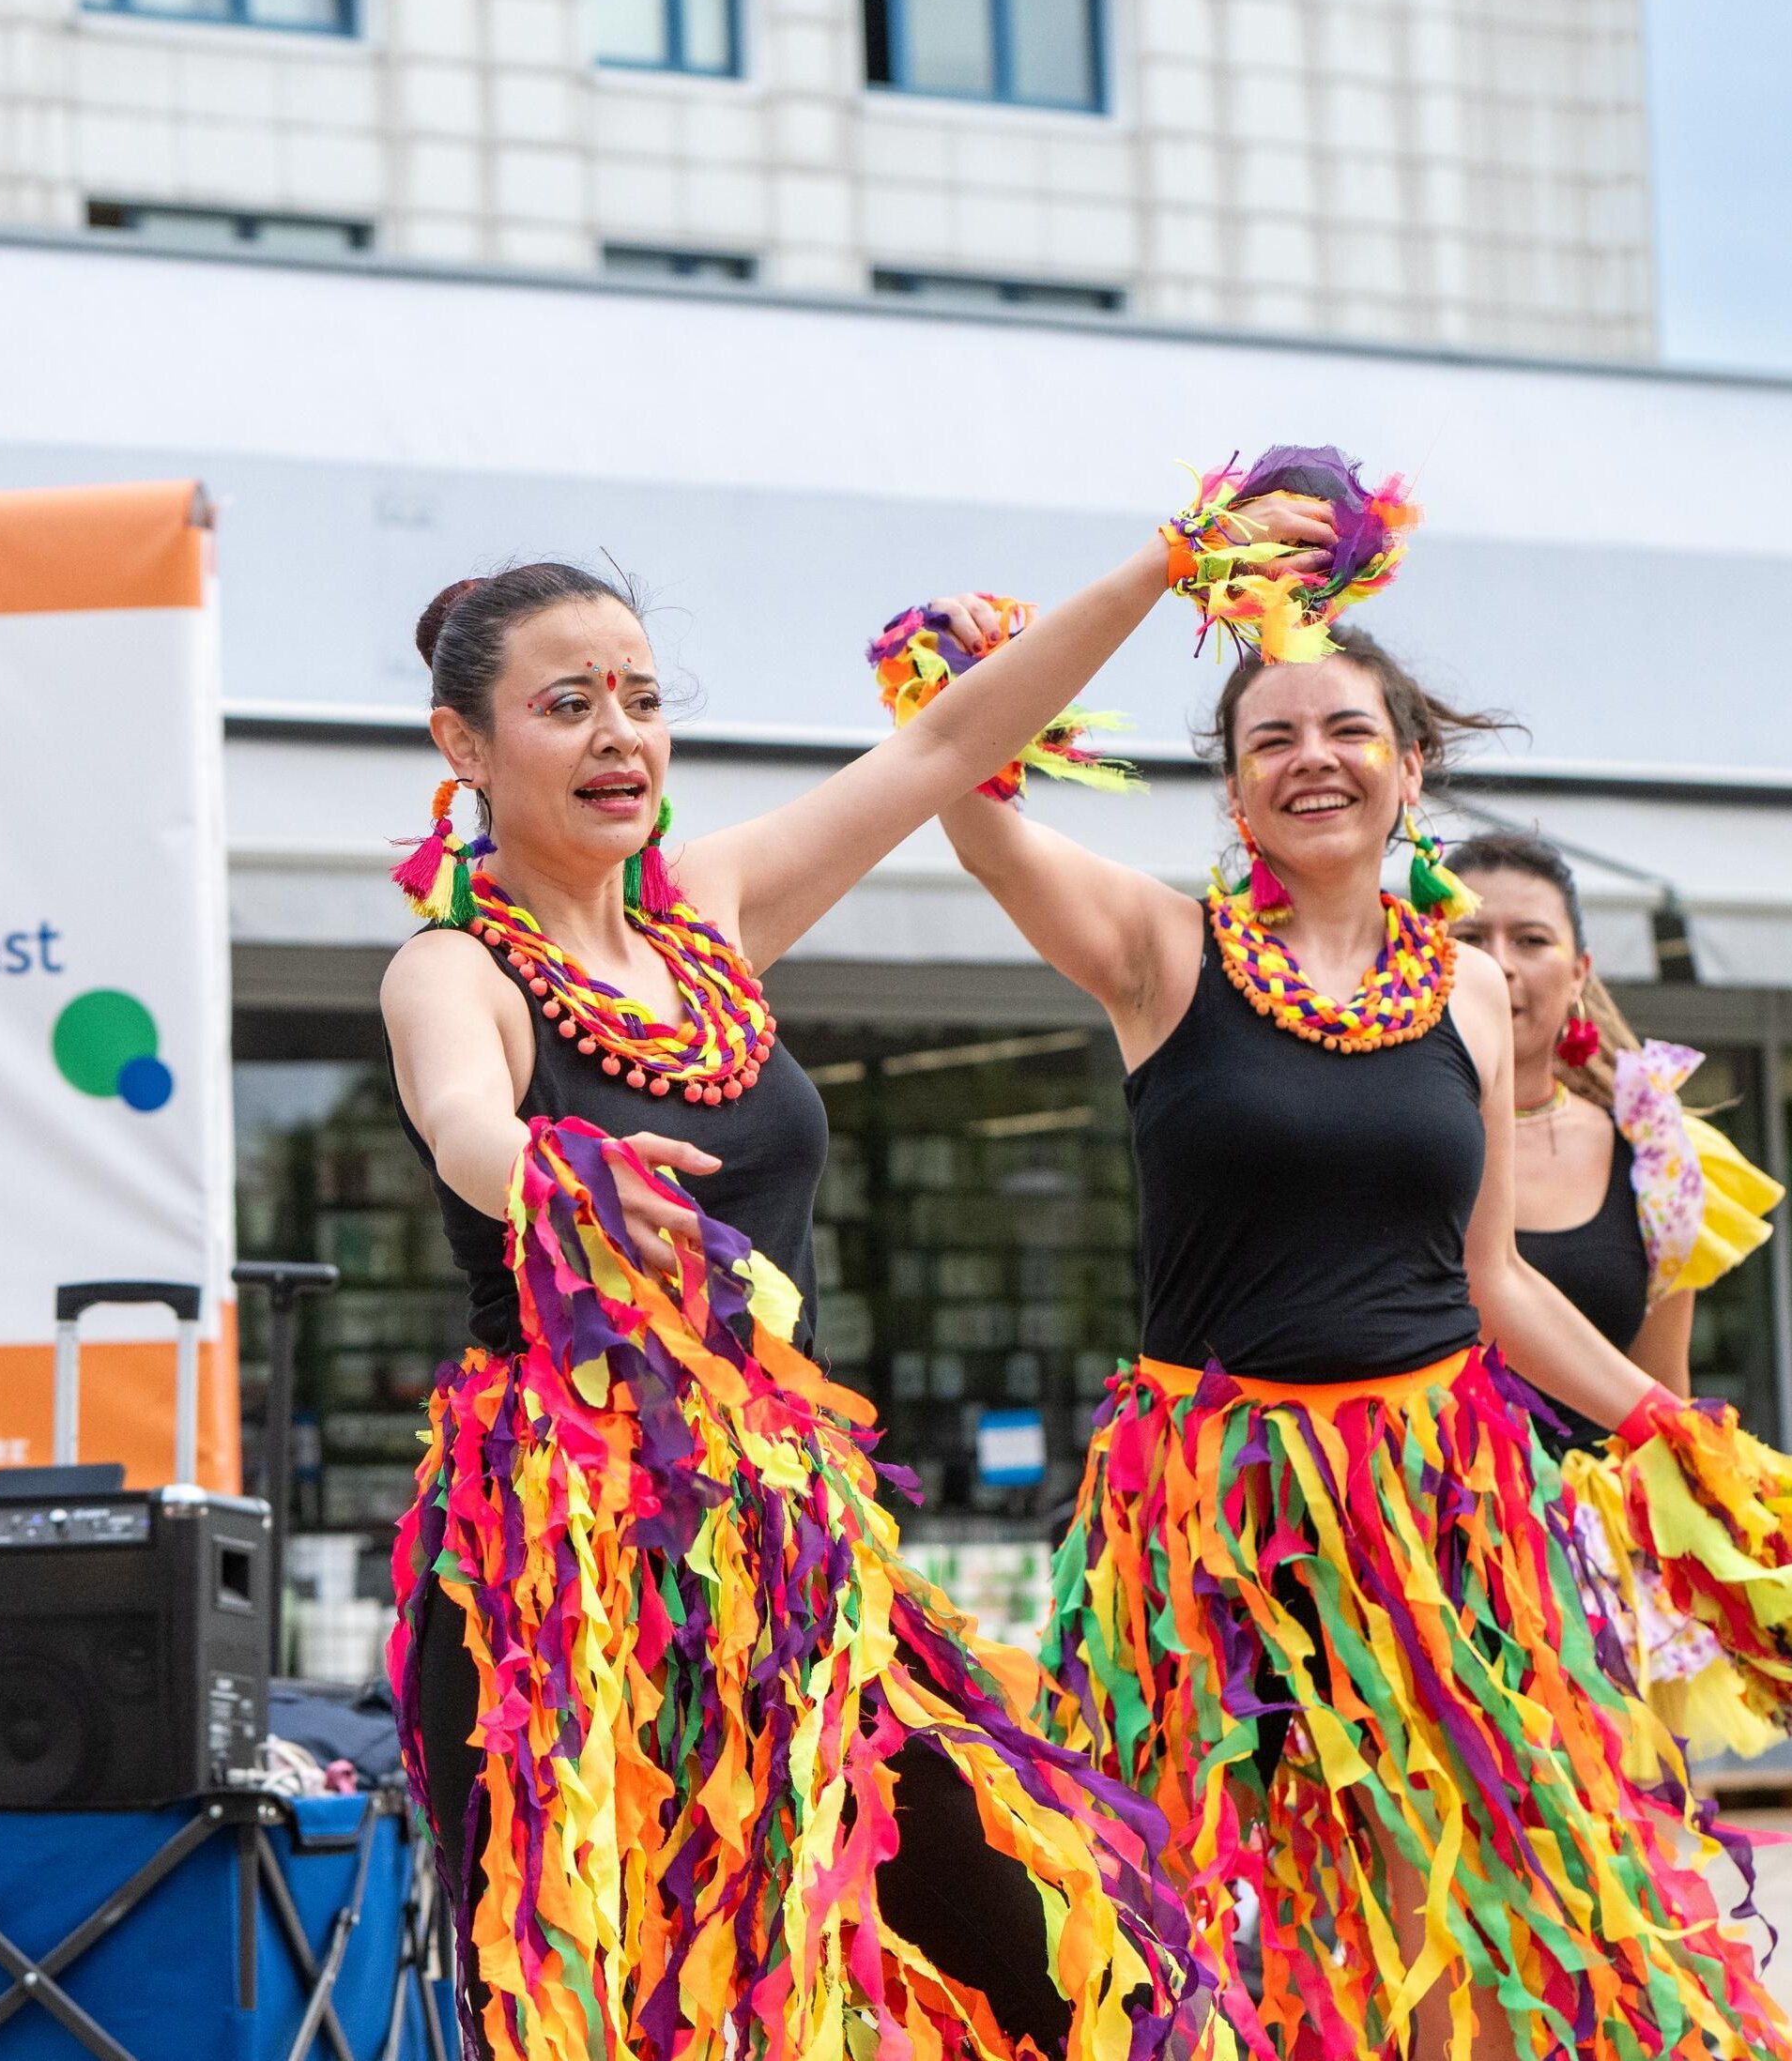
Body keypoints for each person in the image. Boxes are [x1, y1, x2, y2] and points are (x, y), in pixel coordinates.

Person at [376, 524, 1325, 2061]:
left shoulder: (718, 913)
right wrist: (561, 1173)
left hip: (784, 1541)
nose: (618, 735)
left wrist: (1163, 566)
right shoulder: (452, 969)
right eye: (566, 706)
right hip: (563, 1575)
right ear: (462, 745)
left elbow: (952, 740)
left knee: (1058, 1961)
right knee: (602, 2013)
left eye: (637, 695)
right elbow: (464, 1124)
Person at [922, 449, 1789, 2060]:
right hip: (1208, 1512)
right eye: (1271, 739)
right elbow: (967, 802)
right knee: (1164, 1897)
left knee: (1456, 1884)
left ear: (1407, 771)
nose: (1312, 759)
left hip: (1436, 1501)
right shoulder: (1157, 948)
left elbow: (1492, 1285)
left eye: (1346, 732)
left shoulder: (1463, 988)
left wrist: (1666, 1431)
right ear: (1233, 786)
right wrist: (1134, 584)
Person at [1447, 830, 1786, 1757]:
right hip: (1410, 1558)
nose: (1501, 966)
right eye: (1469, 936)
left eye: (1531, 939)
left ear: (1580, 967)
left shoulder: (1658, 1154)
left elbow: (1661, 1392)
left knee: (1605, 1881)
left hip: (1588, 1585)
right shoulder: (1380, 1142)